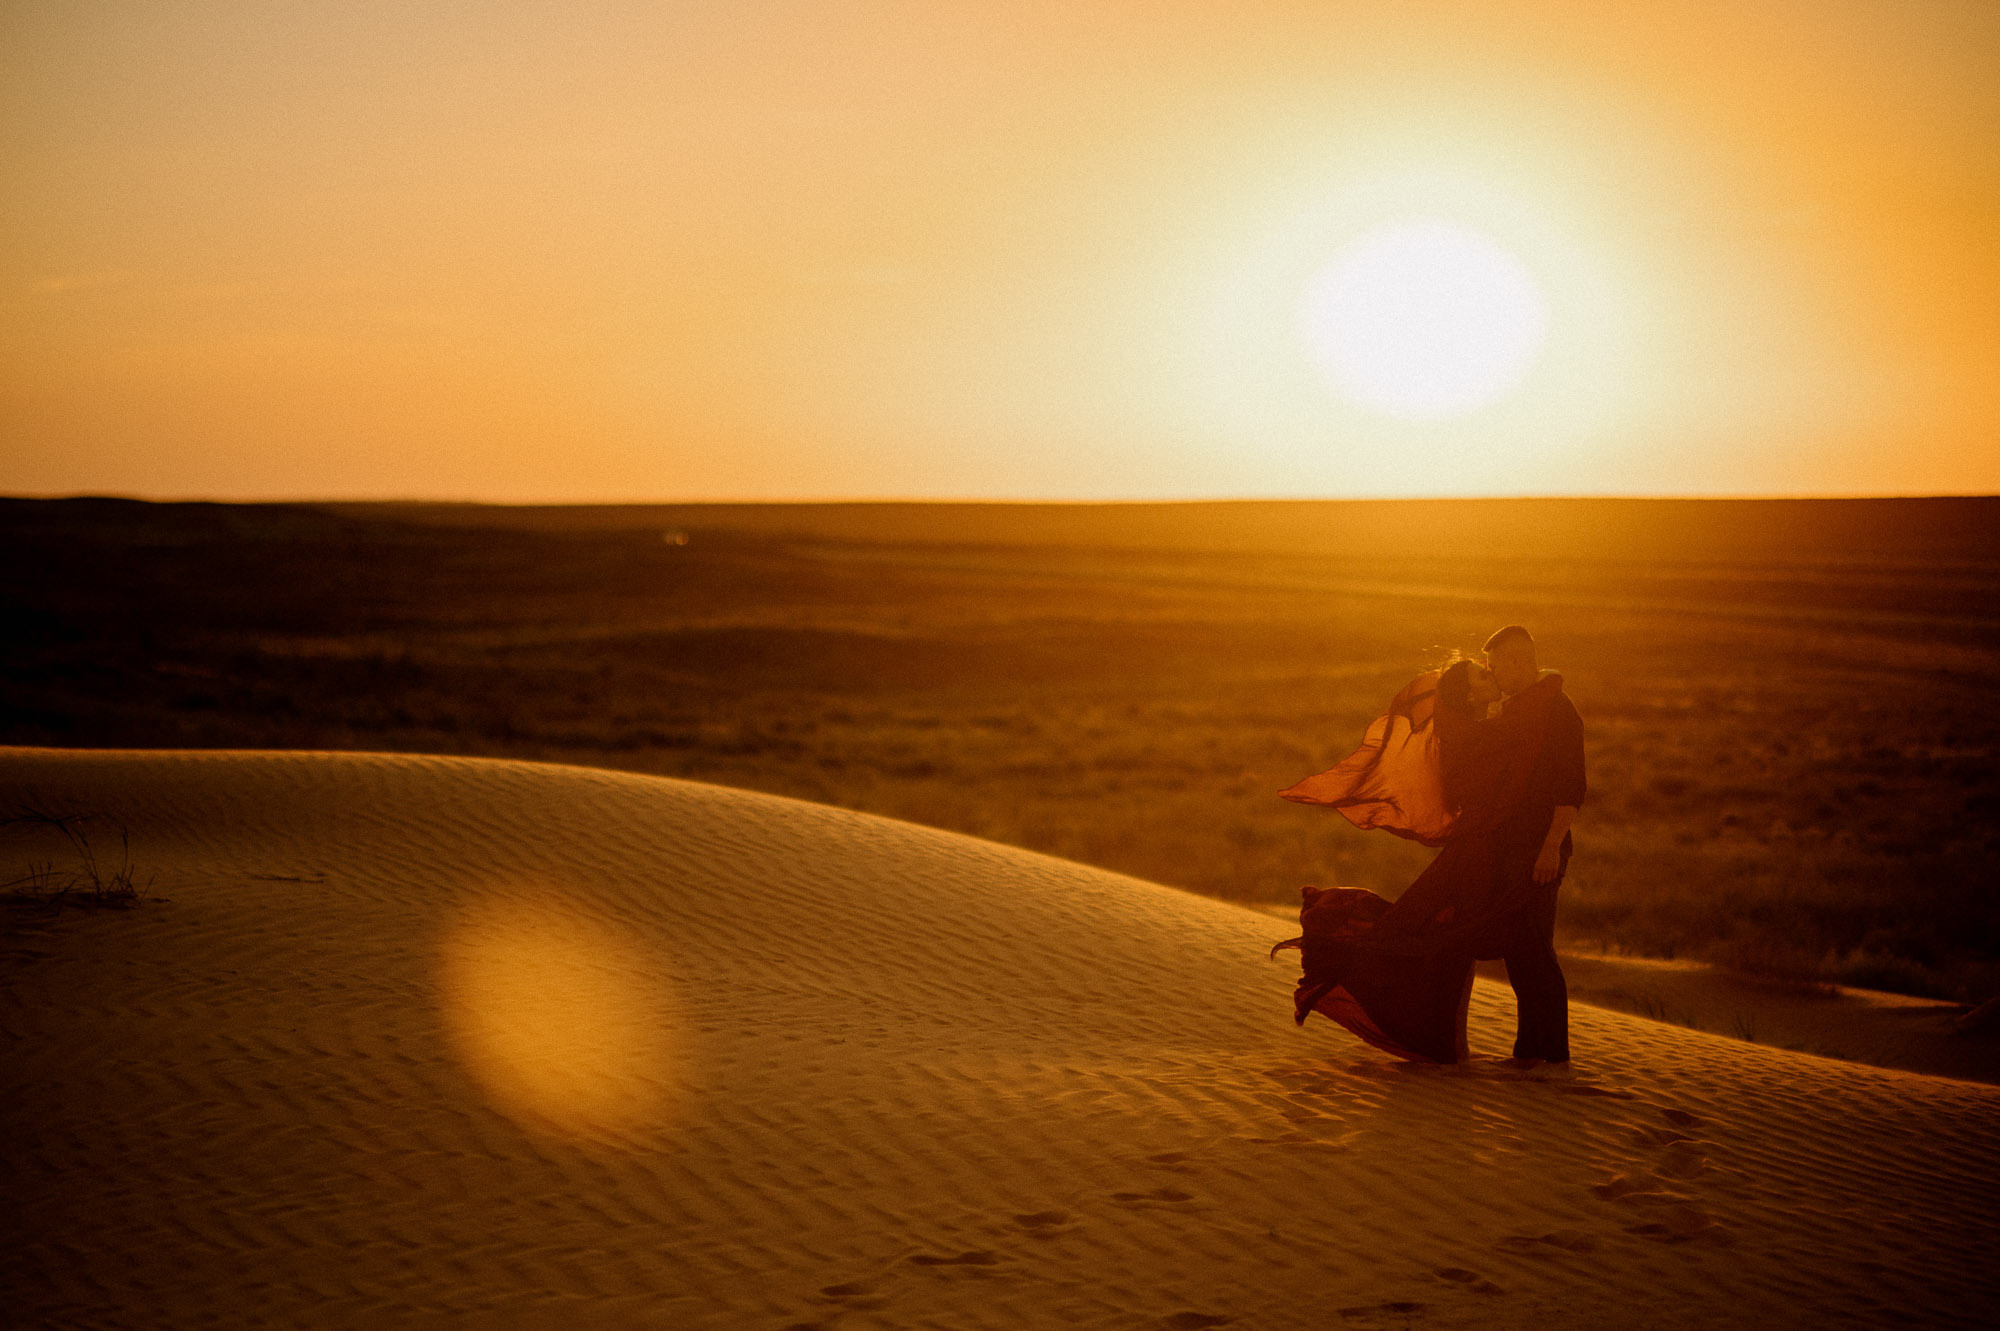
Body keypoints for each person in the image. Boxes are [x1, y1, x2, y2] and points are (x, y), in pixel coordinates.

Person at [1270, 629, 1584, 1068]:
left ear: (1518, 662)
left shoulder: (1553, 710)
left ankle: (1550, 1058)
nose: (1494, 675)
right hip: (1500, 853)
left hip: (1537, 851)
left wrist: (1550, 847)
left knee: (1533, 951)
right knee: (1511, 950)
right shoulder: (1511, 714)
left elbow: (1569, 786)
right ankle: (1530, 1054)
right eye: (1485, 671)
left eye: (1494, 668)